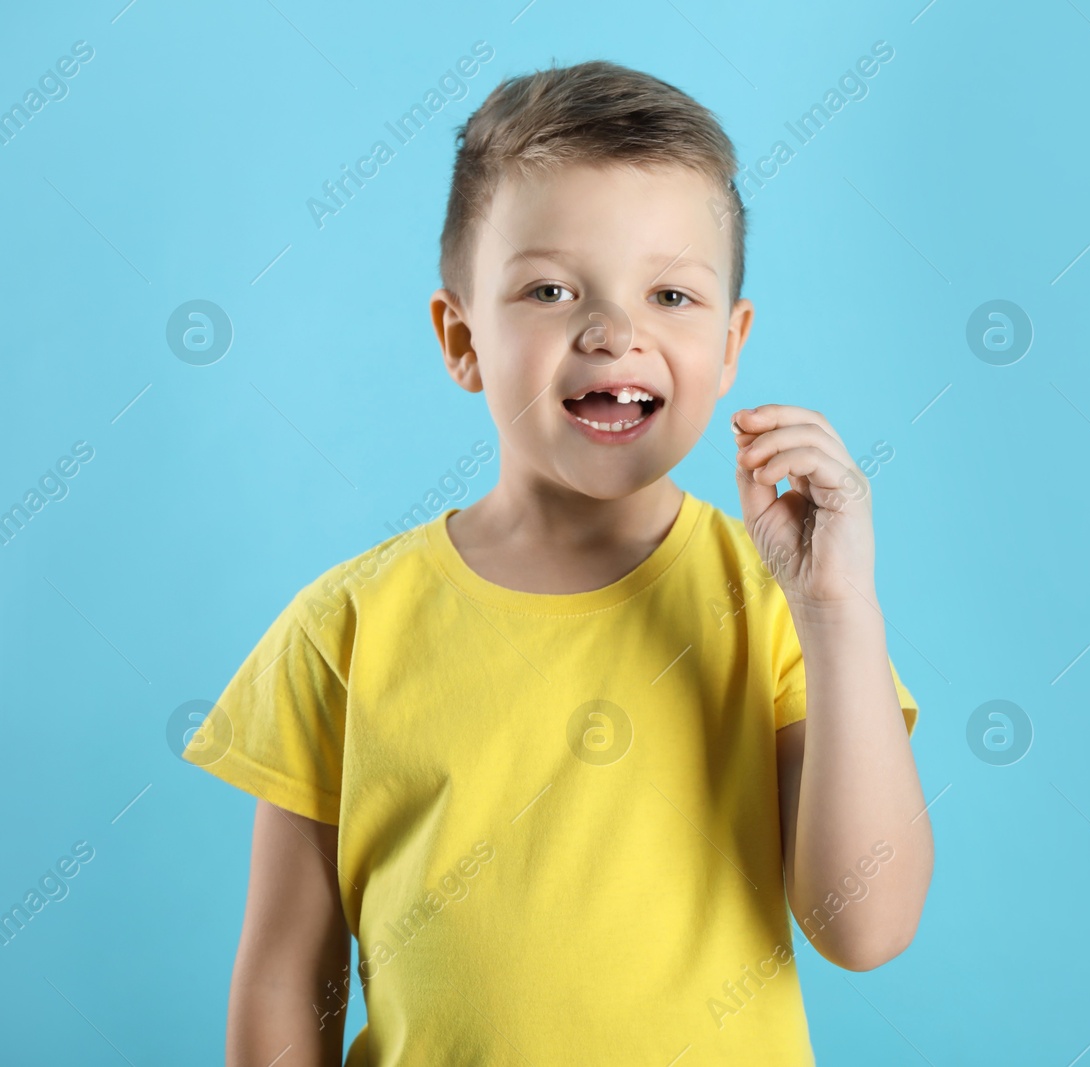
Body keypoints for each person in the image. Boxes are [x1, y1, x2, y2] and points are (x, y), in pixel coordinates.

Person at [183, 58, 933, 1065]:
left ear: (729, 343)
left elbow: (866, 924)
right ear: (461, 339)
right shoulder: (344, 628)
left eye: (671, 293)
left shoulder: (779, 608)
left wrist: (838, 609)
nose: (614, 331)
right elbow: (286, 973)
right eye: (549, 288)